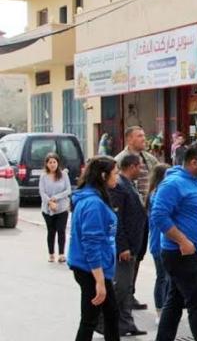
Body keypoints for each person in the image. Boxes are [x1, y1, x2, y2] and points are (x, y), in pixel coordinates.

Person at [150, 142, 197, 341]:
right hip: (180, 253)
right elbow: (159, 215)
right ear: (193, 162)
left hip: (194, 253)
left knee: (175, 300)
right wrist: (182, 241)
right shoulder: (174, 184)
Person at [67, 156, 120, 341]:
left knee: (111, 315)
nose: (117, 178)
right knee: (90, 319)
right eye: (115, 174)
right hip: (90, 269)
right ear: (104, 175)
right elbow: (91, 243)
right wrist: (99, 281)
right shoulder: (93, 203)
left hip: (96, 268)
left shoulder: (94, 197)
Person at [115, 125, 159, 310]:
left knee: (138, 255)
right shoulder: (118, 161)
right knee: (127, 255)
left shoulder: (150, 159)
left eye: (144, 135)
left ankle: (130, 292)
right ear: (129, 139)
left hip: (146, 213)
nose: (144, 138)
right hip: (128, 215)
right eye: (139, 136)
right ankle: (123, 295)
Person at [108, 154, 148, 337]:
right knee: (121, 287)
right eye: (139, 167)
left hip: (134, 246)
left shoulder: (129, 185)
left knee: (126, 289)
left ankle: (126, 323)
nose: (141, 171)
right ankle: (104, 320)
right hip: (125, 248)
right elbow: (117, 219)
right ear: (132, 166)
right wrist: (123, 246)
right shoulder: (120, 187)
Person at [146, 163, 171, 323]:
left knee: (168, 277)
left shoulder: (155, 192)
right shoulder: (158, 194)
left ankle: (166, 308)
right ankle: (160, 310)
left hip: (161, 242)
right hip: (159, 242)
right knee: (162, 277)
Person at [39, 152, 72, 263]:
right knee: (51, 231)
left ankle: (62, 254)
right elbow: (42, 192)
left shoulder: (64, 175)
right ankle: (51, 254)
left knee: (61, 230)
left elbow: (68, 190)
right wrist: (49, 202)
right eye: (50, 162)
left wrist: (55, 198)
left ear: (58, 163)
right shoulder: (43, 176)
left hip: (62, 207)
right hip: (47, 209)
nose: (52, 164)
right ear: (47, 164)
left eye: (54, 162)